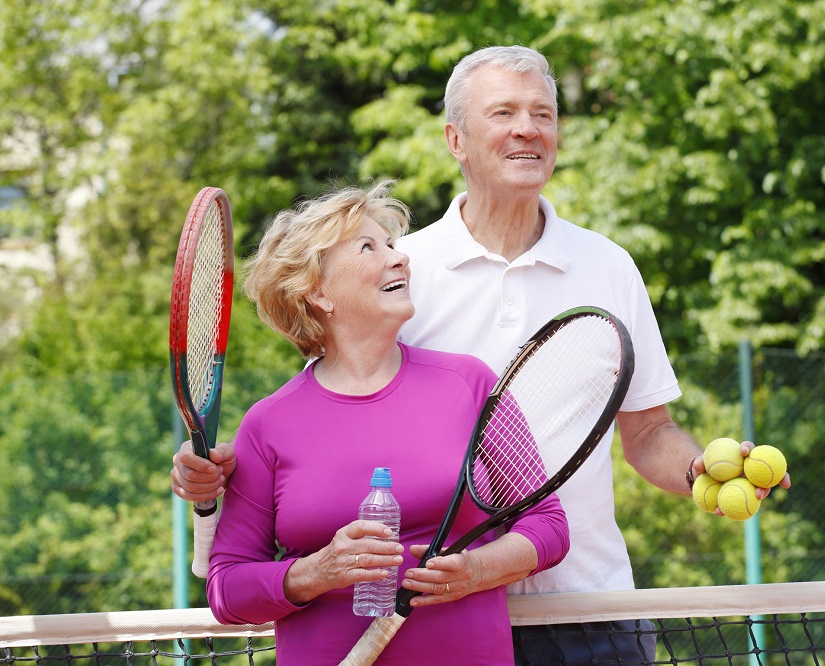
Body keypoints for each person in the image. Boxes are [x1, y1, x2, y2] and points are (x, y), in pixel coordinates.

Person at [173, 46, 791, 665]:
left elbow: (649, 431)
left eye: (543, 114)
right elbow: (335, 417)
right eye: (504, 112)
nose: (528, 128)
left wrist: (700, 474)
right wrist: (229, 472)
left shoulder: (609, 266)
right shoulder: (400, 273)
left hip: (588, 606)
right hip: (437, 622)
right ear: (456, 139)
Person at [202, 180, 569, 665]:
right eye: (369, 247)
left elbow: (548, 525)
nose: (399, 258)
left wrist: (476, 570)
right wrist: (317, 571)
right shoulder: (268, 423)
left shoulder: (469, 384)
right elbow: (226, 588)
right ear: (318, 292)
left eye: (393, 245)